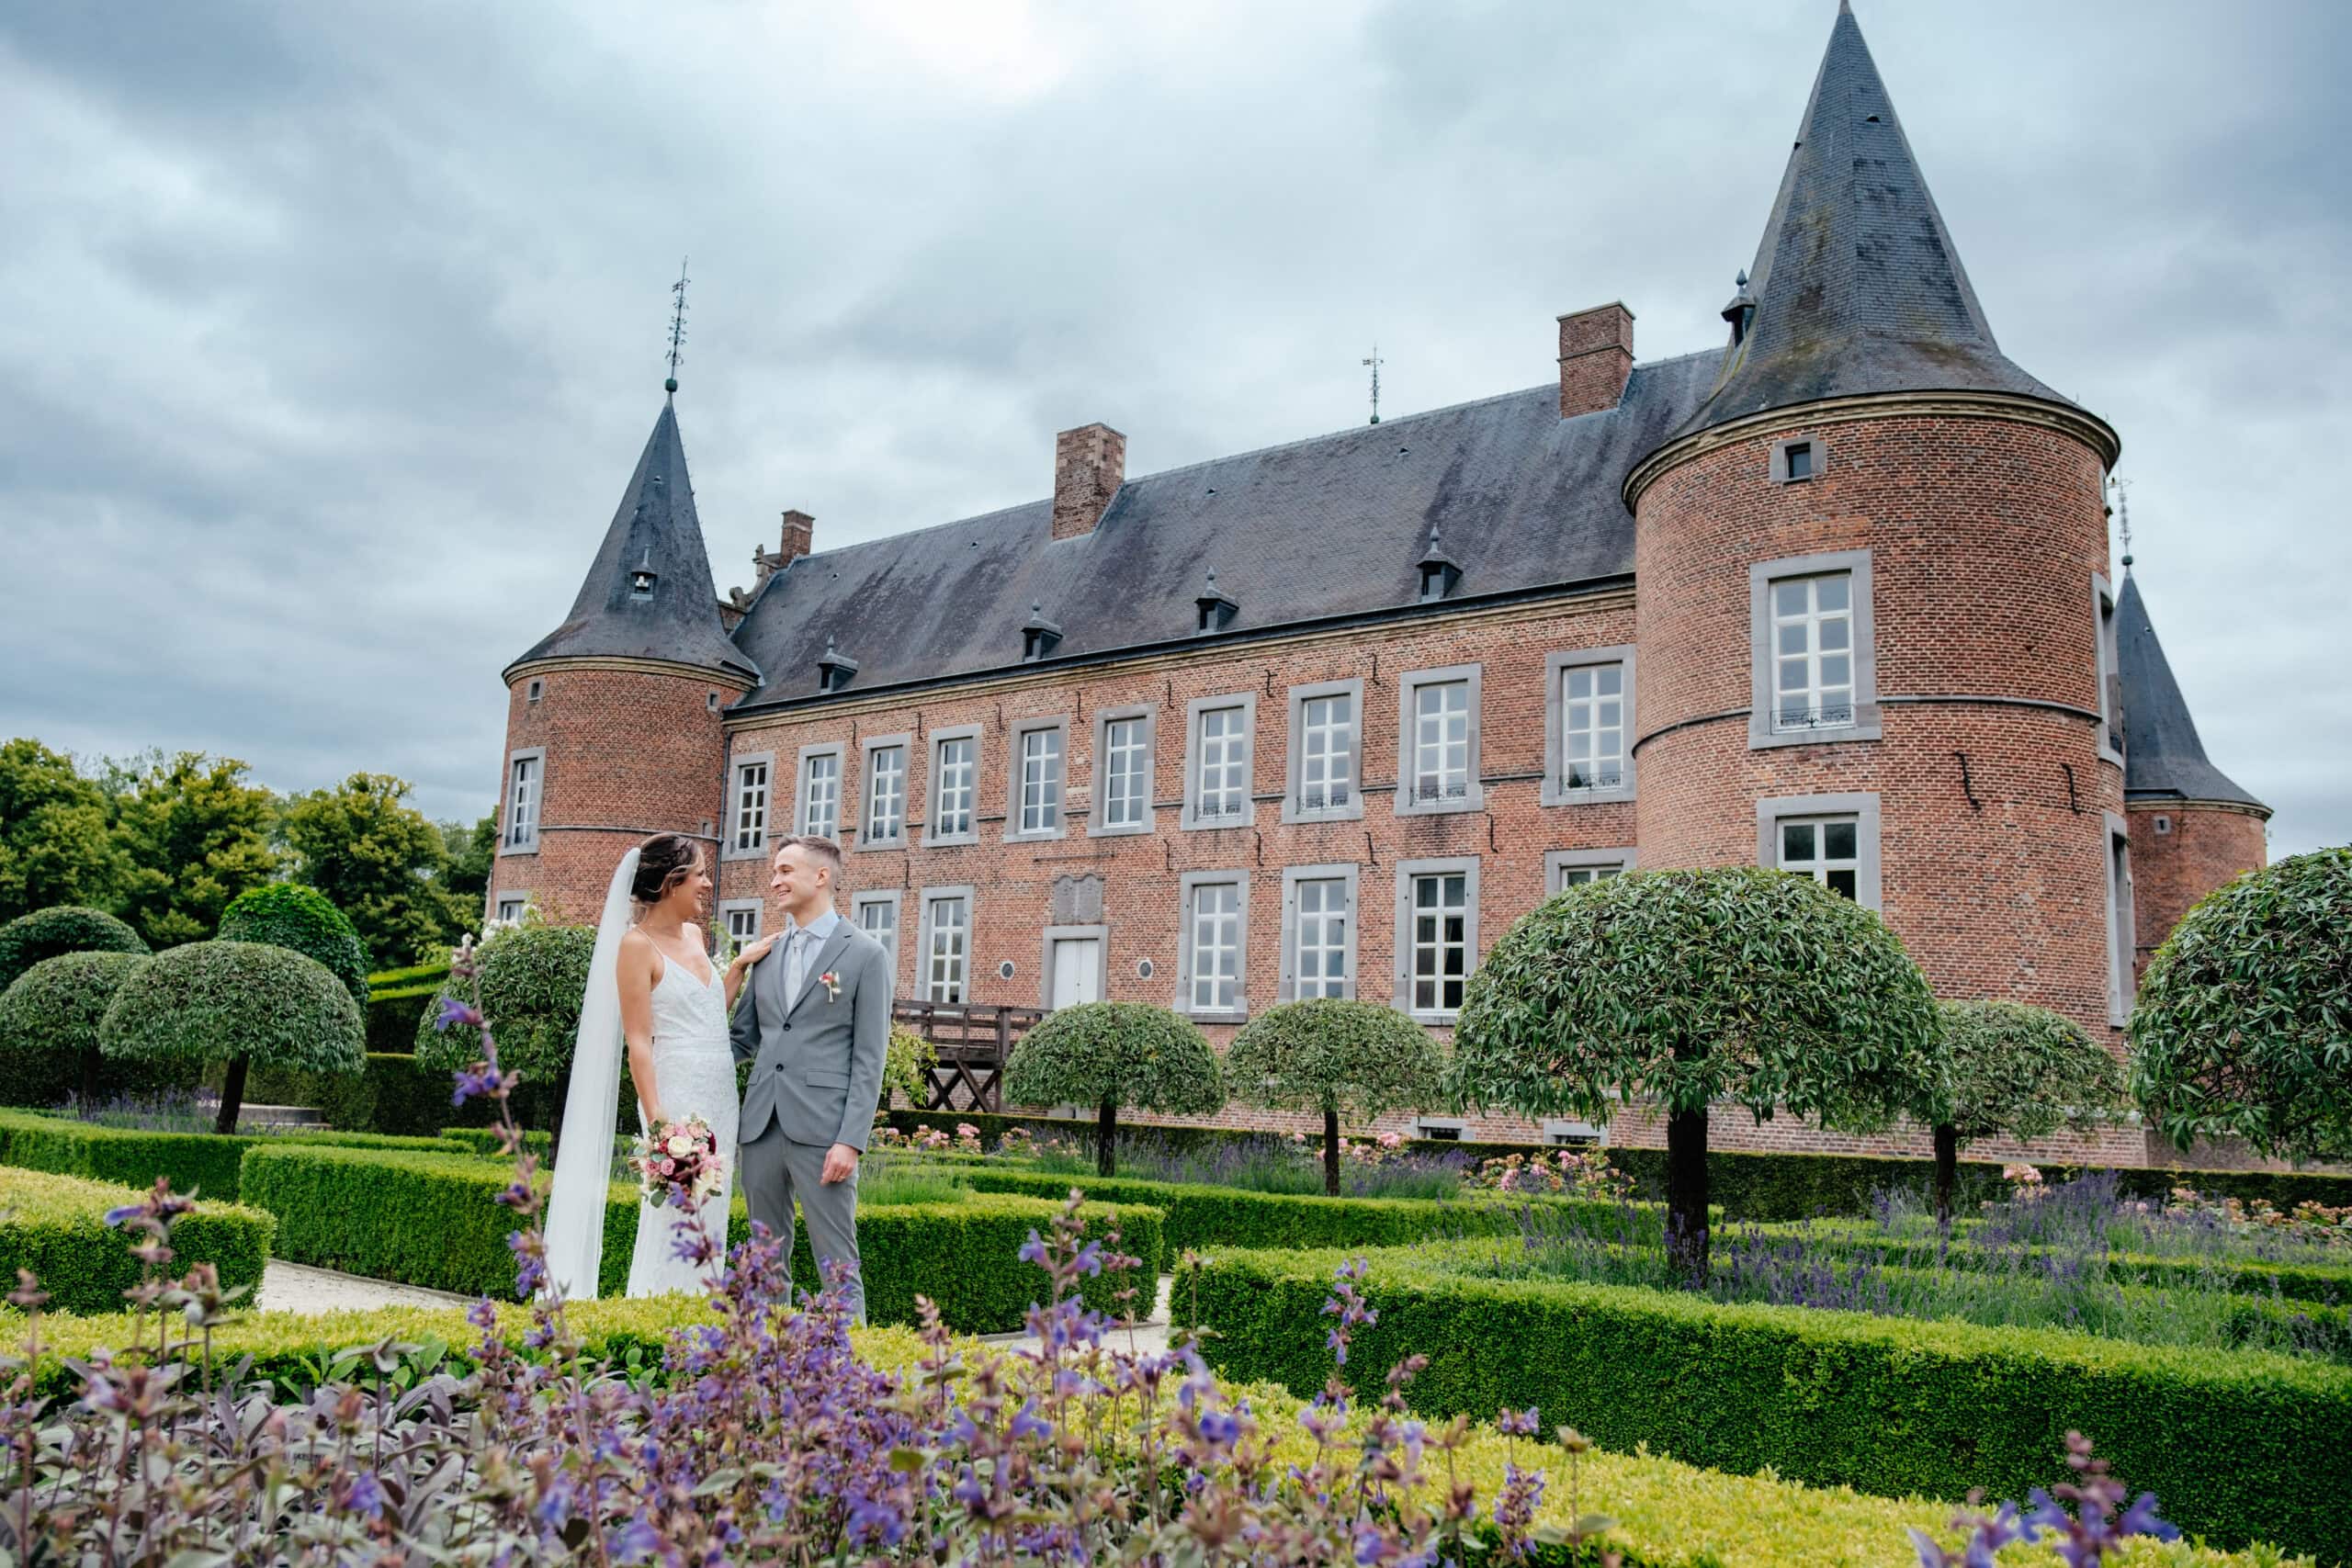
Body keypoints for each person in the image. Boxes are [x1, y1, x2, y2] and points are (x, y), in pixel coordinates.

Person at [540, 834, 777, 1300]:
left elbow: (706, 1016)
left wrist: (738, 969)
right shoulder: (636, 946)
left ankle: (702, 1314)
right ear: (672, 883)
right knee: (675, 1214)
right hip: (679, 1095)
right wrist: (661, 1127)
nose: (708, 884)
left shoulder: (693, 935)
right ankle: (658, 1312)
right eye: (700, 875)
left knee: (711, 1212)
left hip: (720, 1093)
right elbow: (639, 1043)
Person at [729, 833, 893, 1321]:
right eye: (774, 872)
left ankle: (851, 1380)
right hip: (760, 1126)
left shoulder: (865, 955)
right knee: (765, 1261)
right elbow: (741, 1040)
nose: (774, 880)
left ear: (820, 877)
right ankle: (768, 1371)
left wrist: (851, 1141)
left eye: (785, 871)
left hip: (825, 1133)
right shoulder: (767, 955)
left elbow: (870, 1057)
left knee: (837, 1263)